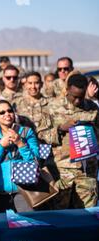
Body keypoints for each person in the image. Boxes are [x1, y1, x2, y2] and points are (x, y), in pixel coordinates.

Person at [46, 74, 99, 209]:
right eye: (74, 96)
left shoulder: (92, 107)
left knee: (88, 216)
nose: (77, 101)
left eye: (80, 97)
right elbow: (40, 135)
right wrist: (60, 129)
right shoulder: (52, 107)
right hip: (62, 170)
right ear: (67, 89)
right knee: (61, 215)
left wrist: (92, 131)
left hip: (87, 171)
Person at [0, 100, 39, 212]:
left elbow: (35, 162)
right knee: (1, 227)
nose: (7, 114)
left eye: (10, 111)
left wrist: (20, 143)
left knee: (27, 226)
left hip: (24, 191)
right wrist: (1, 145)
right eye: (2, 112)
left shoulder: (27, 132)